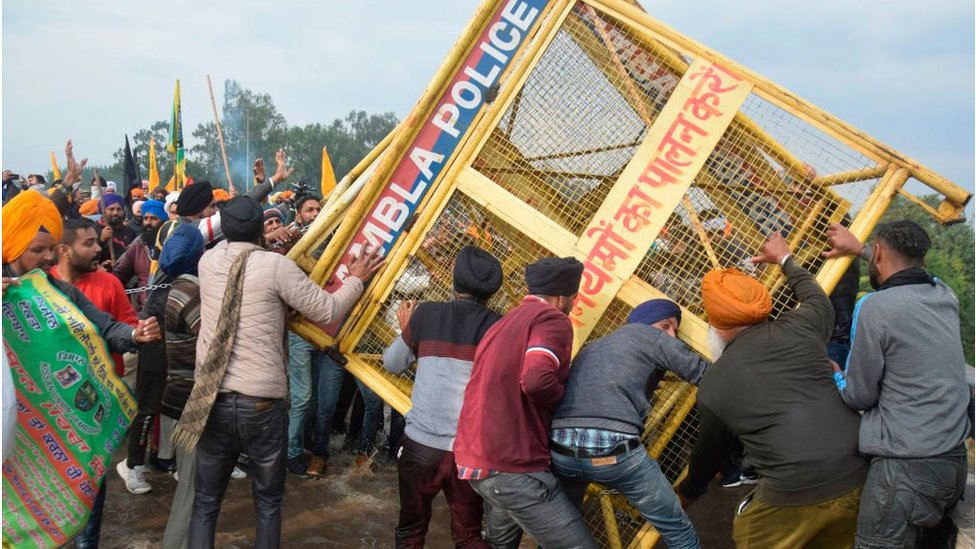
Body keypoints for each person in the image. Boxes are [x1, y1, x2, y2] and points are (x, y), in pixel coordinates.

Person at [175, 196, 383, 548]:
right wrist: (357, 279)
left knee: (206, 503)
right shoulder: (276, 267)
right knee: (268, 505)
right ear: (261, 229)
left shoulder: (208, 261)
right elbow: (328, 310)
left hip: (212, 401)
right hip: (261, 406)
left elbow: (245, 270)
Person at [677, 234, 867, 549]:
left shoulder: (714, 384)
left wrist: (687, 493)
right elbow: (816, 296)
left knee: (750, 535)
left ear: (716, 325)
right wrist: (784, 258)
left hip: (791, 494)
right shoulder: (804, 326)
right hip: (862, 475)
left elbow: (708, 456)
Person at [1, 191, 161, 548]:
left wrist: (135, 333)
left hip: (62, 422)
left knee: (81, 497)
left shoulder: (57, 290)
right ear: (12, 243)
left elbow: (104, 325)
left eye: (50, 248)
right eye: (37, 249)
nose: (47, 257)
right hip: (13, 431)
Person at [825, 221, 970, 548]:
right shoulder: (944, 295)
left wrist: (835, 373)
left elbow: (858, 394)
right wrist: (859, 248)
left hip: (905, 470)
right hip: (951, 462)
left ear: (877, 253)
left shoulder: (876, 308)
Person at [453, 256, 597, 549]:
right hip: (512, 465)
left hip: (478, 460)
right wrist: (562, 399)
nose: (573, 304)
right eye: (572, 298)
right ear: (560, 298)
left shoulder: (506, 321)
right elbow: (536, 378)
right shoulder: (553, 320)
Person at [550, 298, 705, 549]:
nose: (671, 336)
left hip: (562, 452)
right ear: (644, 323)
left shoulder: (592, 346)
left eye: (675, 331)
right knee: (676, 527)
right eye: (666, 325)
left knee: (562, 530)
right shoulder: (650, 338)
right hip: (611, 453)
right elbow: (706, 374)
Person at [383, 246, 504, 548]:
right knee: (468, 535)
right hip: (469, 452)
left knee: (410, 530)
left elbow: (393, 363)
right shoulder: (499, 327)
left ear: (454, 281)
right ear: (492, 292)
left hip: (421, 447)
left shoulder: (426, 313)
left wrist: (408, 330)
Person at [48, 217, 140, 548]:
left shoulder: (108, 284)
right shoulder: (38, 290)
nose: (98, 247)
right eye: (88, 243)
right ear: (64, 250)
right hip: (50, 408)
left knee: (91, 486)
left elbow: (119, 327)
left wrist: (136, 334)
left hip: (94, 407)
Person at [157, 223, 207, 549]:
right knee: (192, 489)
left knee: (193, 486)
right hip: (193, 401)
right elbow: (211, 342)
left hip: (179, 397)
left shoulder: (174, 288)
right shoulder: (192, 293)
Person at [113, 199, 166, 312]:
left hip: (168, 309)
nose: (148, 223)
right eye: (145, 218)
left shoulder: (172, 244)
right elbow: (120, 274)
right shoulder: (138, 245)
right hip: (144, 310)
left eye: (153, 218)